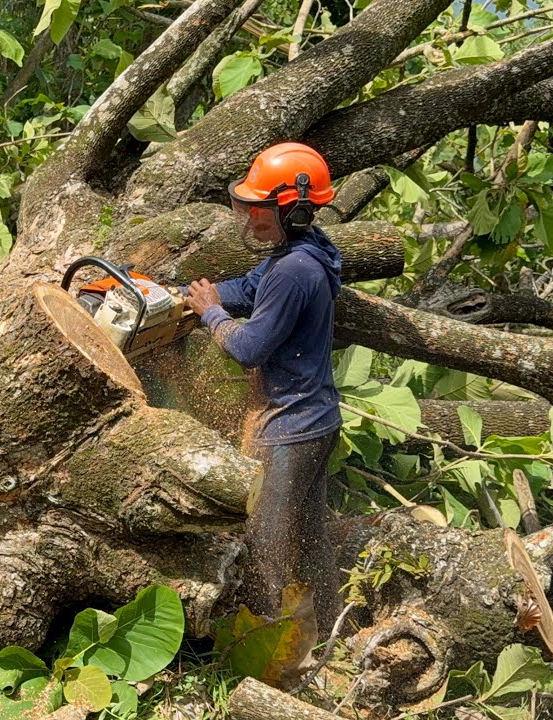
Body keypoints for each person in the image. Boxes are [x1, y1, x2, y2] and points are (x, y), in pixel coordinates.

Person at [180, 142, 343, 635]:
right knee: (311, 538)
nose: (250, 222)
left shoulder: (295, 270)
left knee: (264, 546)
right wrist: (183, 294)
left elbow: (250, 347)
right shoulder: (303, 252)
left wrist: (210, 314)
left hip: (289, 429)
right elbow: (250, 290)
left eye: (259, 212)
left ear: (292, 211)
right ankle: (332, 632)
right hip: (317, 420)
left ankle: (268, 656)